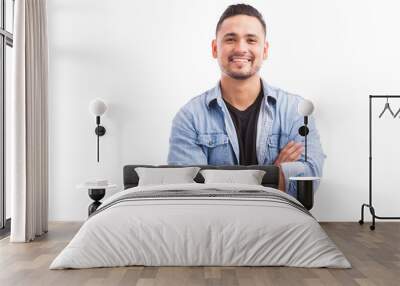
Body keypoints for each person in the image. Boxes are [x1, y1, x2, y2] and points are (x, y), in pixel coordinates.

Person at [167, 4, 325, 198]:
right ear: (215, 48)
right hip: (215, 227)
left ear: (264, 50)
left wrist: (224, 183)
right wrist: (274, 175)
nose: (241, 48)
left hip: (278, 224)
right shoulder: (189, 118)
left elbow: (309, 182)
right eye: (231, 39)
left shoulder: (295, 111)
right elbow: (192, 193)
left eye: (251, 40)